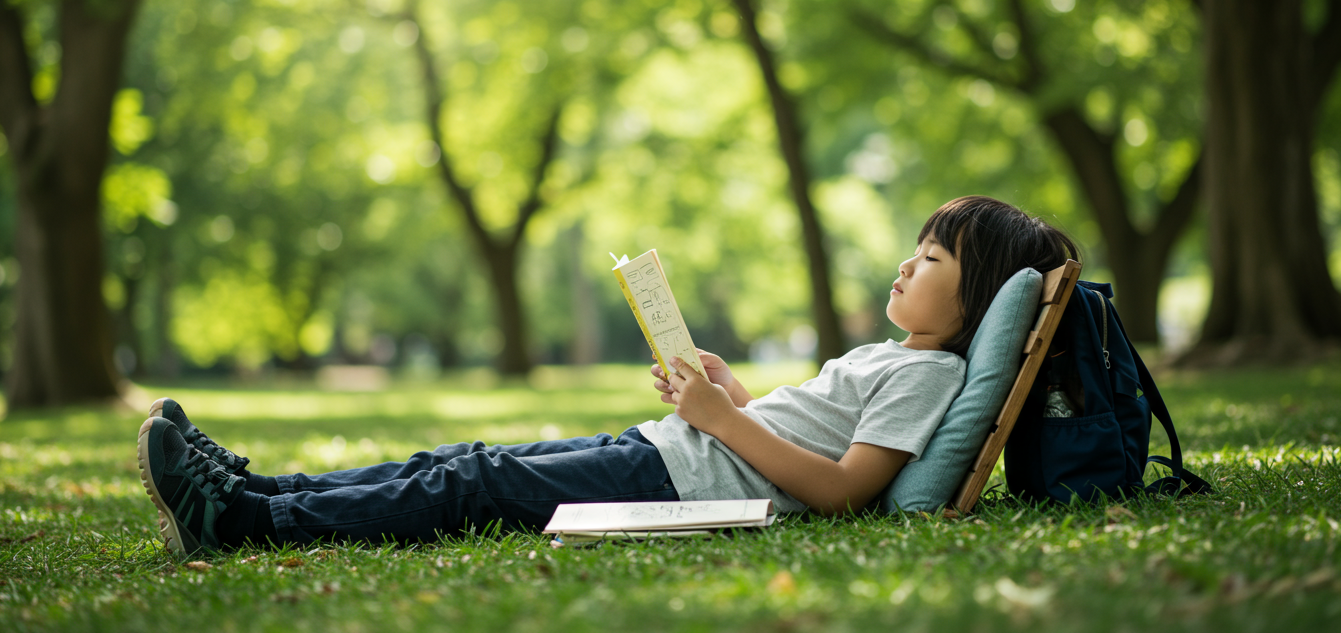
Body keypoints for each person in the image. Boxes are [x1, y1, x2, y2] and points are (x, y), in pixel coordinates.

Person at [136, 196, 1077, 556]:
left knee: (474, 483)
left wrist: (718, 419)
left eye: (935, 263)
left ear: (976, 301)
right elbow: (808, 439)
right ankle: (258, 492)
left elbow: (838, 493)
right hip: (677, 454)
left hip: (684, 482)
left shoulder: (928, 380)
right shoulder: (892, 359)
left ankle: (250, 523)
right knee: (459, 459)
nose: (908, 266)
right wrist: (731, 396)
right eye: (914, 251)